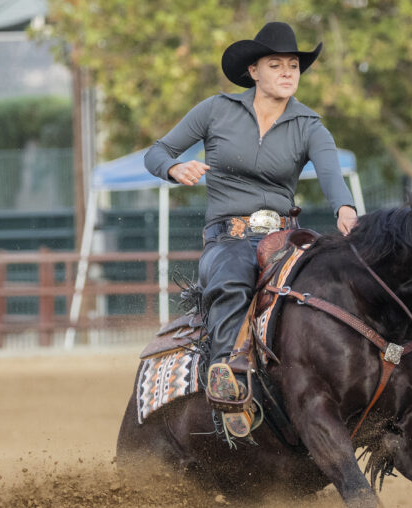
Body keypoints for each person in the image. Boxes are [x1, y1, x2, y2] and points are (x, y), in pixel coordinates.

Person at [144, 22, 357, 439]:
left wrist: (346, 209)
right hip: (229, 238)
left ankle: (399, 390)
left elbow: (331, 175)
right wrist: (174, 167)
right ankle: (230, 382)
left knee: (339, 280)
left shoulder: (310, 125)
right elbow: (158, 151)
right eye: (275, 64)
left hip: (286, 237)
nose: (286, 72)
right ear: (253, 72)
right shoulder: (215, 109)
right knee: (232, 277)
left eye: (293, 65)